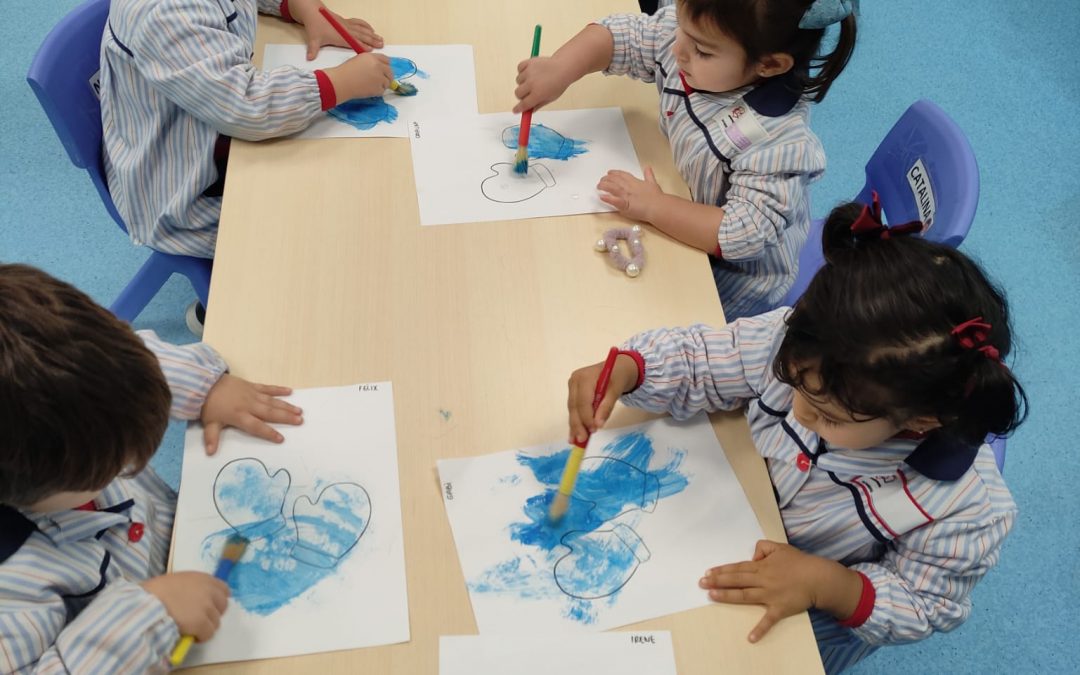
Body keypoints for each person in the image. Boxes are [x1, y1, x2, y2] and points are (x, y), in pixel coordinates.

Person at [566, 198, 1026, 672]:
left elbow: (926, 606)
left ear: (920, 421)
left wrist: (827, 585)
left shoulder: (966, 511)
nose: (800, 413)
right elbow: (707, 357)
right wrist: (632, 369)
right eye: (793, 385)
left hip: (794, 628)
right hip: (714, 519)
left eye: (830, 417)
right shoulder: (811, 346)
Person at [0, 263, 303, 672]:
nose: (134, 464)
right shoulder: (13, 586)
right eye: (112, 467)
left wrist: (205, 386)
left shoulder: (68, 376)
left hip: (176, 553)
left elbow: (123, 358)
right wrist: (148, 615)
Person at [515, 0, 858, 318]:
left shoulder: (778, 144)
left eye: (702, 51)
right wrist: (560, 67)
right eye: (681, 27)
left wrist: (655, 207)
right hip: (681, 202)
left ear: (769, 64)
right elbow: (623, 37)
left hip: (731, 280)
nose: (677, 49)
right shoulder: (692, 37)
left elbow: (743, 234)